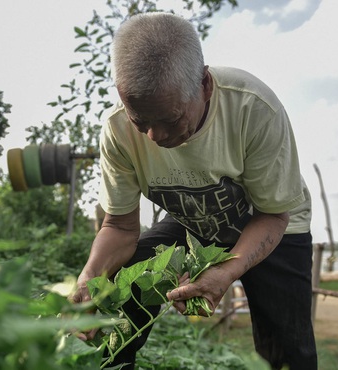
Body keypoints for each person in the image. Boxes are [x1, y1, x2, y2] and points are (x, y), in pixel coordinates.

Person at [71, 12, 317, 370]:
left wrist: (225, 272)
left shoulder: (253, 107)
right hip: (196, 218)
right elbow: (120, 228)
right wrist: (91, 276)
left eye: (170, 119)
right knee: (130, 283)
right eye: (141, 122)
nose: (155, 136)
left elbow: (274, 215)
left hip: (272, 222)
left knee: (286, 347)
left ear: (204, 84)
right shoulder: (118, 130)